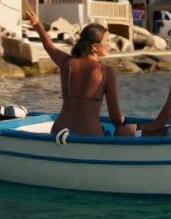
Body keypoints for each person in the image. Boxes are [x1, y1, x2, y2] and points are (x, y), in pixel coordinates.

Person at [25, 8, 135, 137]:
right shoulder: (107, 72)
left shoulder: (66, 63)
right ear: (94, 47)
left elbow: (49, 46)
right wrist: (124, 123)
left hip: (59, 132)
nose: (110, 45)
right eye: (107, 42)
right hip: (89, 135)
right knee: (128, 130)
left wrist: (37, 24)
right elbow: (115, 116)